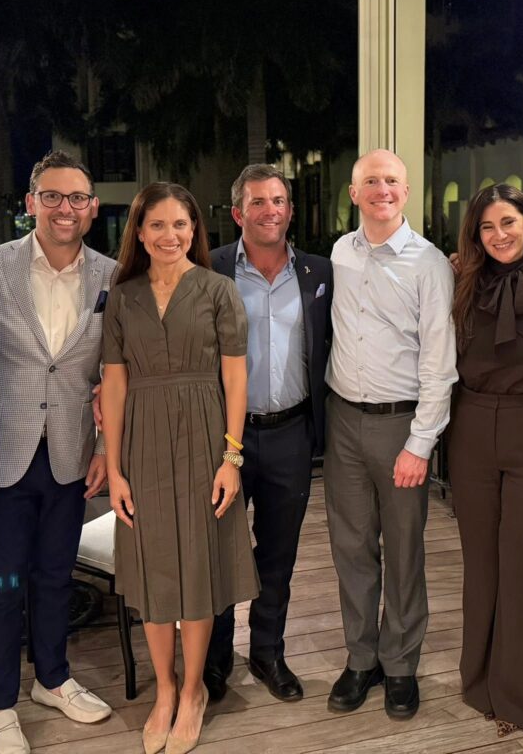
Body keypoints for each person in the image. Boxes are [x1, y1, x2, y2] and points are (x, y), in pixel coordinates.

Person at [99, 182, 259, 754]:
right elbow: (113, 384)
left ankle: (193, 691)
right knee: (151, 566)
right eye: (159, 225)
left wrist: (231, 457)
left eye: (182, 225)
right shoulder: (122, 297)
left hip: (203, 439)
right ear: (139, 233)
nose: (171, 235)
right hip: (141, 442)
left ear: (196, 230)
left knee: (197, 564)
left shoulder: (218, 290)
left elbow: (236, 377)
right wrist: (114, 469)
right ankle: (162, 690)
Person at [0, 150, 116, 753]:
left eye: (76, 198)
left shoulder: (112, 275)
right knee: (0, 585)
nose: (64, 208)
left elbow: (114, 371)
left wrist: (106, 445)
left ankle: (51, 678)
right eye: (51, 196)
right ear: (31, 203)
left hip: (72, 452)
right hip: (4, 452)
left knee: (56, 576)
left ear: (92, 208)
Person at [324, 149, 456, 720]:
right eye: (371, 181)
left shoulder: (428, 265)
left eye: (392, 181)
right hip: (342, 420)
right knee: (351, 549)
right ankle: (361, 659)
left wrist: (420, 443)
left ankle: (401, 664)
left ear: (407, 192)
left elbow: (439, 363)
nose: (382, 189)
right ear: (354, 194)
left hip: (401, 424)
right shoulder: (339, 253)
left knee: (402, 551)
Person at [205, 164, 333, 702]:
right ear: (238, 213)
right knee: (218, 549)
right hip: (222, 441)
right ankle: (213, 661)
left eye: (279, 200)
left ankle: (267, 653)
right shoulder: (208, 270)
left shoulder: (319, 272)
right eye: (258, 202)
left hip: (290, 434)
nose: (271, 211)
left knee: (278, 554)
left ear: (290, 209)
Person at [448, 184, 523, 738]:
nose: (498, 235)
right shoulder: (459, 283)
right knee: (481, 565)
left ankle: (522, 697)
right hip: (471, 427)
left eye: (507, 222)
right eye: (486, 228)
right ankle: (479, 683)